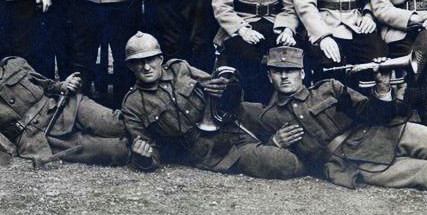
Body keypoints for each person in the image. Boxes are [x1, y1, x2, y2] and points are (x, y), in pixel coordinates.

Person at [255, 46, 427, 193]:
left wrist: (382, 87)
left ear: (302, 73)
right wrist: (274, 143)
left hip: (377, 132)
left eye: (291, 70)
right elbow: (283, 163)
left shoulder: (328, 88)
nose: (285, 76)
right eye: (278, 71)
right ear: (269, 76)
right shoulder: (269, 117)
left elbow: (373, 114)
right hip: (352, 161)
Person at [120, 32, 302, 178]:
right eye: (138, 62)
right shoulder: (132, 104)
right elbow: (149, 149)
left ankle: (310, 149)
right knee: (283, 163)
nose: (146, 67)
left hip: (233, 117)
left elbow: (218, 83)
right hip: (215, 151)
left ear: (160, 59)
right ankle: (283, 150)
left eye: (150, 59)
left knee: (293, 121)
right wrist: (144, 159)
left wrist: (225, 87)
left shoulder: (179, 68)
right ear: (130, 67)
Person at [0, 26, 129, 164]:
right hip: (40, 137)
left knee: (120, 125)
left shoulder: (15, 64)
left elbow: (47, 84)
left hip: (66, 107)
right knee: (117, 150)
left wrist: (63, 85)